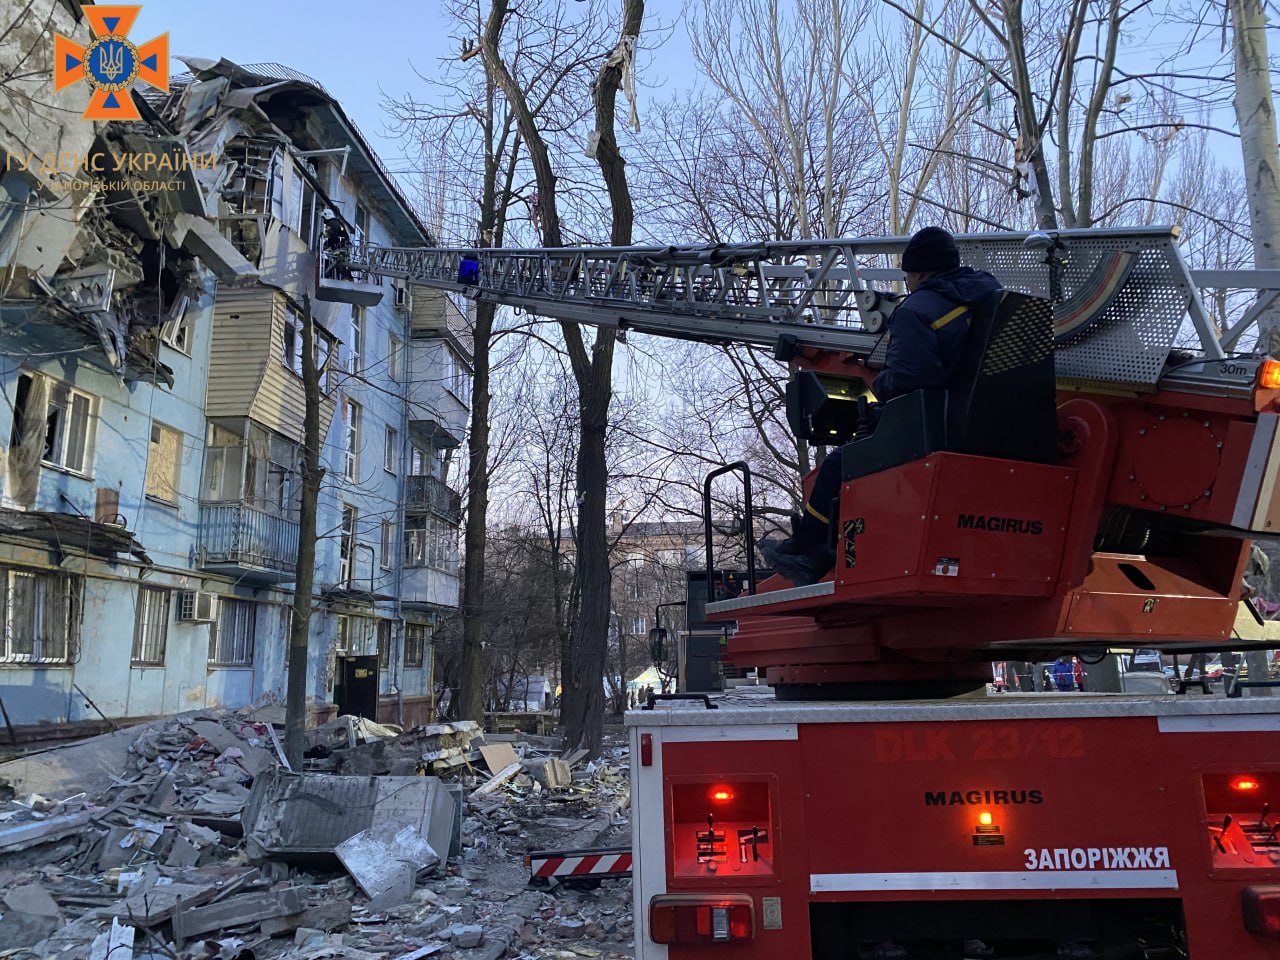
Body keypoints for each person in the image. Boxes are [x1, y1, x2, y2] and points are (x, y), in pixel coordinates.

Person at [761, 226, 1003, 586]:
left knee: (840, 463)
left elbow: (909, 377)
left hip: (935, 429)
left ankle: (806, 550)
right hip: (987, 427)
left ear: (918, 272)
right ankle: (815, 549)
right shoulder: (990, 297)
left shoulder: (917, 309)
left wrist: (880, 384)